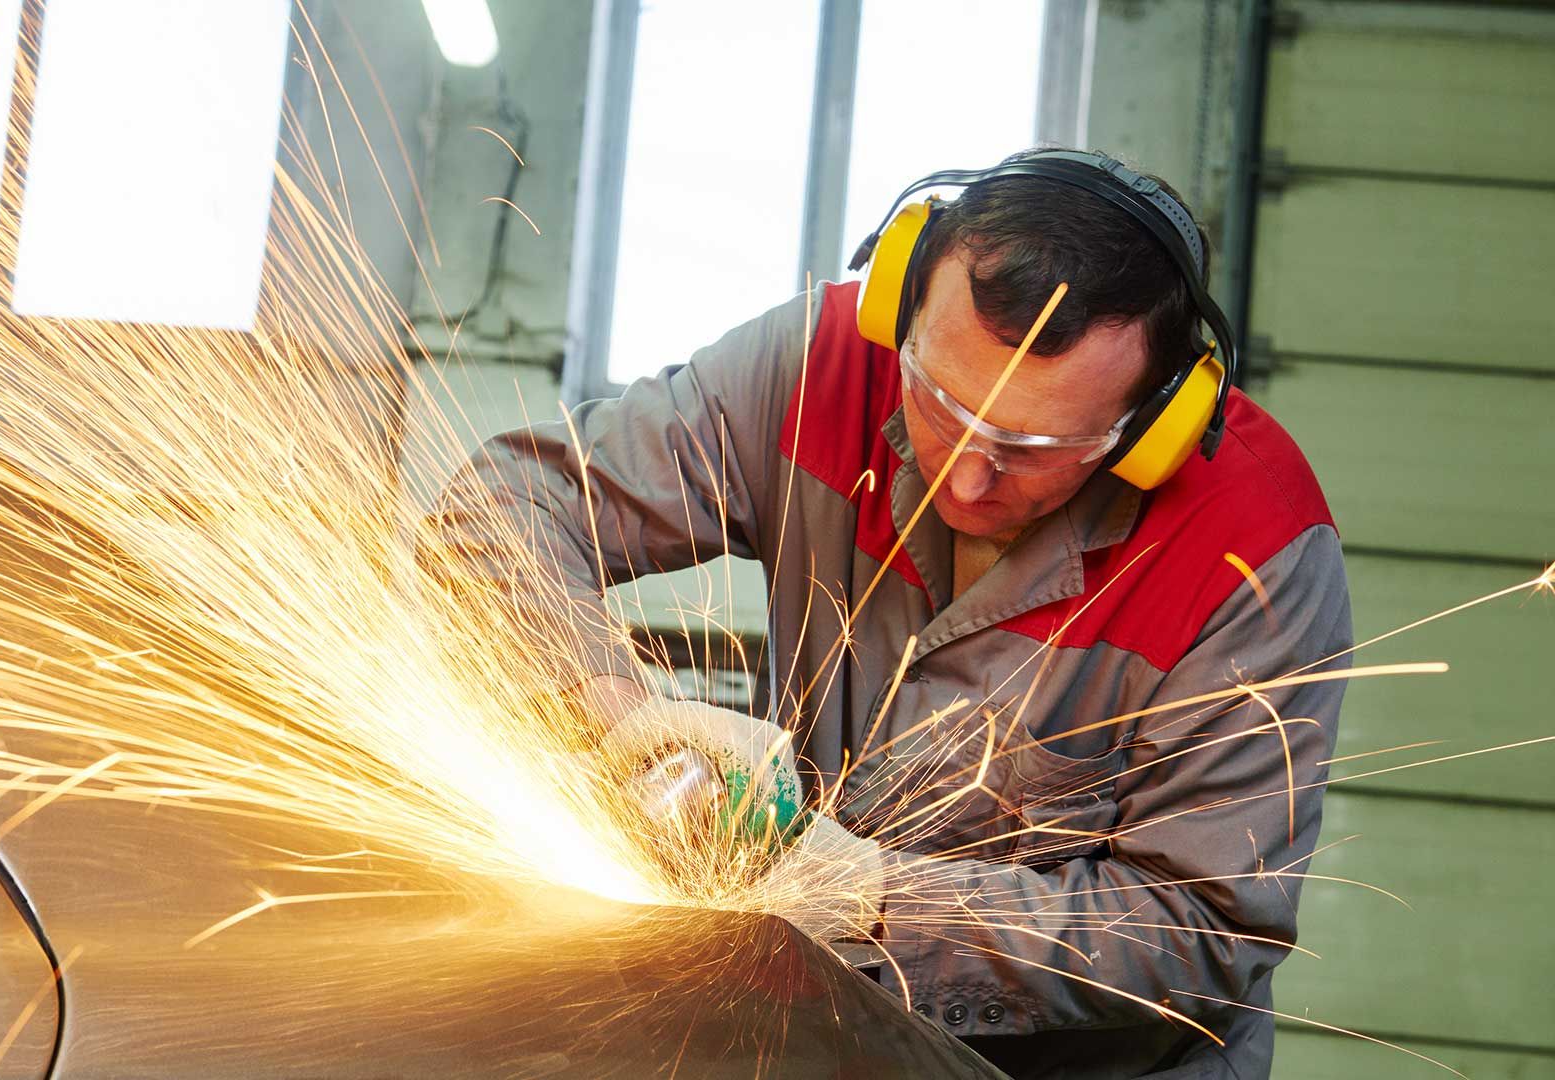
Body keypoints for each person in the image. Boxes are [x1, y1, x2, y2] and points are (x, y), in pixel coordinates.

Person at [430, 148, 1351, 1078]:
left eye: (1033, 447)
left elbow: (1198, 935)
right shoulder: (829, 362)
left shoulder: (1250, 549)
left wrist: (870, 900)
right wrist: (620, 711)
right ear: (901, 306)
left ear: (1152, 426)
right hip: (801, 1035)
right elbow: (502, 508)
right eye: (941, 403)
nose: (966, 473)